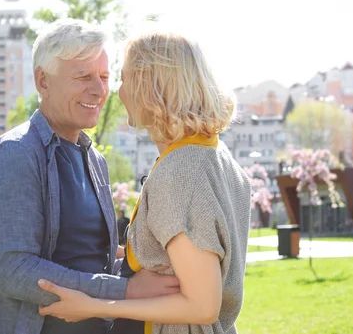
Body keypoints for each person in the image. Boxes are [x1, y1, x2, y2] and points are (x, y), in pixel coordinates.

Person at [0, 19, 180, 334]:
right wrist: (126, 290)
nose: (98, 90)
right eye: (83, 76)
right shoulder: (14, 154)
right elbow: (16, 271)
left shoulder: (95, 160)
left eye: (105, 76)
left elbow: (93, 262)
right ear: (43, 81)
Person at [38, 30, 252, 334]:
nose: (117, 92)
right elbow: (180, 261)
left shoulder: (180, 171)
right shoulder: (215, 156)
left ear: (151, 86)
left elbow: (202, 306)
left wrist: (93, 305)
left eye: (123, 79)